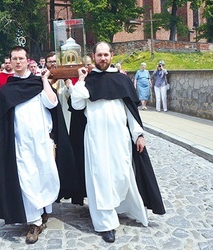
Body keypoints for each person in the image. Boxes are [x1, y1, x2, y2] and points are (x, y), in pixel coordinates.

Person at [71, 42, 165, 243]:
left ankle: (122, 207)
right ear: (93, 56)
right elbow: (77, 104)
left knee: (122, 175)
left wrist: (138, 134)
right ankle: (106, 223)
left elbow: (131, 110)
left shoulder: (121, 80)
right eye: (99, 55)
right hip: (95, 139)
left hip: (119, 138)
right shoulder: (88, 81)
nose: (103, 58)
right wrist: (80, 80)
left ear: (111, 56)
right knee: (101, 178)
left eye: (106, 54)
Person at [0, 46, 81, 244]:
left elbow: (52, 102)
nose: (18, 62)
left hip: (42, 140)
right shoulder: (7, 89)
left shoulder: (37, 83)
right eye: (14, 59)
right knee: (27, 178)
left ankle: (45, 208)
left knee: (46, 176)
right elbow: (0, 119)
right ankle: (34, 222)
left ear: (27, 60)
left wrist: (44, 81)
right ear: (10, 62)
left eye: (21, 58)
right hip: (20, 143)